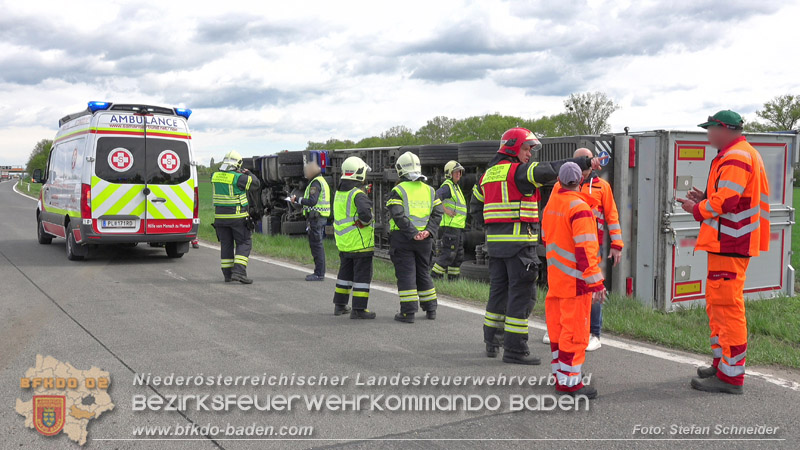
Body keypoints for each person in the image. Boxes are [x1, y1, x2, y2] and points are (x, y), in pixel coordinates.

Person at [470, 127, 602, 365]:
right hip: (520, 247)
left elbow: (475, 208)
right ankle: (515, 350)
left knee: (498, 294)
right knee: (522, 297)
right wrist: (584, 162)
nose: (530, 154)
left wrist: (493, 228)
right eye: (526, 148)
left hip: (495, 248)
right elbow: (551, 169)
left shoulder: (486, 175)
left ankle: (492, 342)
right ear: (513, 147)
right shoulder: (518, 172)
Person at [677, 110, 770, 395]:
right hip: (727, 242)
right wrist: (706, 198)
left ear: (724, 129)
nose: (708, 134)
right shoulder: (736, 153)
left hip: (731, 242)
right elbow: (731, 198)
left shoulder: (736, 156)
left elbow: (728, 200)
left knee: (728, 308)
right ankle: (721, 365)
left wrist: (698, 208)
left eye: (710, 129)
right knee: (718, 305)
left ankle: (731, 377)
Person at [543, 148, 622, 351]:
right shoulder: (560, 187)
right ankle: (561, 328)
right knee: (562, 288)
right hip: (565, 245)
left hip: (591, 246)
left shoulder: (602, 186)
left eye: (585, 161)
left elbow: (612, 216)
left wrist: (617, 245)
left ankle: (594, 333)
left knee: (591, 288)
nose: (582, 166)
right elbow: (549, 213)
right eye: (578, 162)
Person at [541, 162, 606, 399]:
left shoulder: (551, 205)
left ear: (559, 180)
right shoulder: (580, 208)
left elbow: (546, 238)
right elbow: (586, 251)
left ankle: (560, 375)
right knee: (575, 334)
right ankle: (570, 383)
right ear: (581, 181)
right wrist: (596, 283)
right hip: (576, 283)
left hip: (556, 280)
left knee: (558, 331)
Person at [387, 152, 443, 323]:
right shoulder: (430, 190)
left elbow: (397, 215)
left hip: (403, 238)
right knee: (423, 273)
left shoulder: (398, 190)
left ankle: (408, 313)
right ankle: (431, 309)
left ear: (400, 170)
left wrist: (413, 233)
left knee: (406, 275)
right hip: (425, 240)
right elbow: (438, 213)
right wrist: (428, 231)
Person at [332, 156, 376, 319]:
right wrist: (365, 222)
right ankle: (359, 309)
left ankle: (340, 305)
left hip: (345, 243)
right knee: (362, 278)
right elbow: (366, 215)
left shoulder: (339, 193)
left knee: (345, 275)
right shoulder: (358, 194)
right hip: (360, 244)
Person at [211, 150, 260, 284]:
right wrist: (248, 173)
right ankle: (239, 272)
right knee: (244, 243)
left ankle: (227, 274)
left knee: (226, 245)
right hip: (237, 217)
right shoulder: (240, 178)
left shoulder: (214, 176)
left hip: (220, 218)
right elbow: (256, 184)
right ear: (238, 164)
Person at [292, 161, 331, 281]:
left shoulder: (315, 183)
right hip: (318, 218)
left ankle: (319, 273)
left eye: (307, 171)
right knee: (317, 245)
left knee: (316, 246)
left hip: (316, 218)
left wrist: (297, 200)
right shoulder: (321, 180)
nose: (306, 174)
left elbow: (312, 201)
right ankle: (319, 272)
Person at [431, 160, 467, 281]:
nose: (458, 174)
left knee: (457, 256)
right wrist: (445, 210)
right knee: (448, 255)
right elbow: (435, 197)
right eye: (456, 172)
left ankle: (453, 280)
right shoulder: (448, 186)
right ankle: (434, 277)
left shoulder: (455, 187)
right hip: (450, 227)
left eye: (460, 172)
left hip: (457, 227)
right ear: (449, 173)